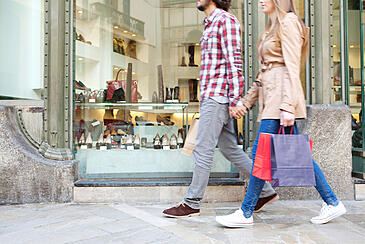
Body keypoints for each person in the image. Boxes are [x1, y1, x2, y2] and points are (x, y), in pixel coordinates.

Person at [216, 0, 347, 227]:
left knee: (260, 155)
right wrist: (246, 102)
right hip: (273, 101)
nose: (260, 1)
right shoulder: (271, 28)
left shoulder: (289, 22)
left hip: (280, 103)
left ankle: (246, 212)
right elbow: (264, 72)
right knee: (297, 157)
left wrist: (288, 106)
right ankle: (332, 202)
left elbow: (292, 67)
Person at [162, 0, 278, 218]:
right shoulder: (210, 23)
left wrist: (235, 99)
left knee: (202, 149)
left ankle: (192, 202)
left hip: (218, 98)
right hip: (212, 97)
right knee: (230, 149)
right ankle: (266, 191)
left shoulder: (226, 21)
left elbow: (234, 63)